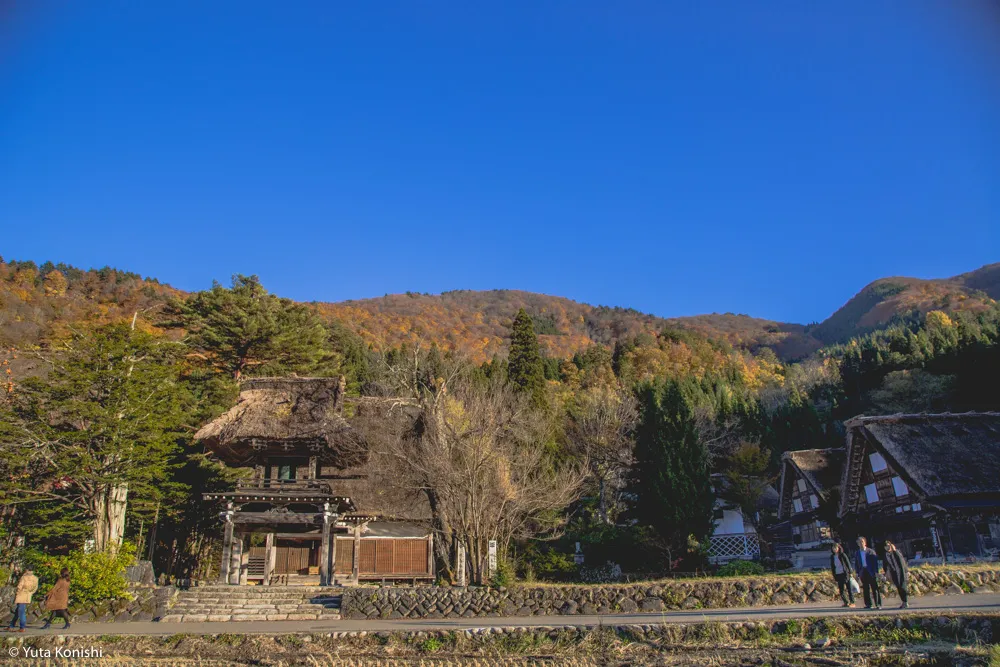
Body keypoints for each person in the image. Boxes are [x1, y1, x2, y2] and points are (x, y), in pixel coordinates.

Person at [6, 568, 38, 633]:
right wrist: (30, 593)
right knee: (18, 611)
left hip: (21, 595)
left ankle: (22, 627)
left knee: (21, 611)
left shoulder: (24, 577)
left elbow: (19, 586)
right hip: (28, 595)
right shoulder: (35, 578)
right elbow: (35, 588)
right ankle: (11, 625)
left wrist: (16, 592)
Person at [854, 536, 882, 609]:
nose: (860, 543)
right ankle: (868, 604)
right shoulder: (857, 553)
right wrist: (857, 573)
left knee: (874, 588)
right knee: (865, 589)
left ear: (865, 543)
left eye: (862, 542)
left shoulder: (870, 551)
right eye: (859, 542)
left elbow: (875, 563)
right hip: (863, 571)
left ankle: (878, 604)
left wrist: (876, 572)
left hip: (871, 571)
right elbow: (856, 564)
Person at [883, 540, 909, 609]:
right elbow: (885, 565)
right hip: (893, 573)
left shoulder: (896, 552)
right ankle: (903, 602)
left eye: (888, 546)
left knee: (903, 586)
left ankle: (905, 601)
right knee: (899, 587)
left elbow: (902, 562)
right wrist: (886, 573)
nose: (887, 547)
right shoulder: (886, 555)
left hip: (901, 572)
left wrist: (906, 571)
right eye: (886, 546)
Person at [830, 543, 855, 607]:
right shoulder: (832, 557)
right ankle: (846, 602)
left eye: (835, 548)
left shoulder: (842, 555)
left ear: (839, 548)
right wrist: (834, 574)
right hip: (838, 574)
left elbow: (848, 563)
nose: (834, 549)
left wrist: (850, 572)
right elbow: (832, 566)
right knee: (841, 590)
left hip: (845, 573)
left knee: (849, 588)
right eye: (833, 548)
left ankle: (852, 602)